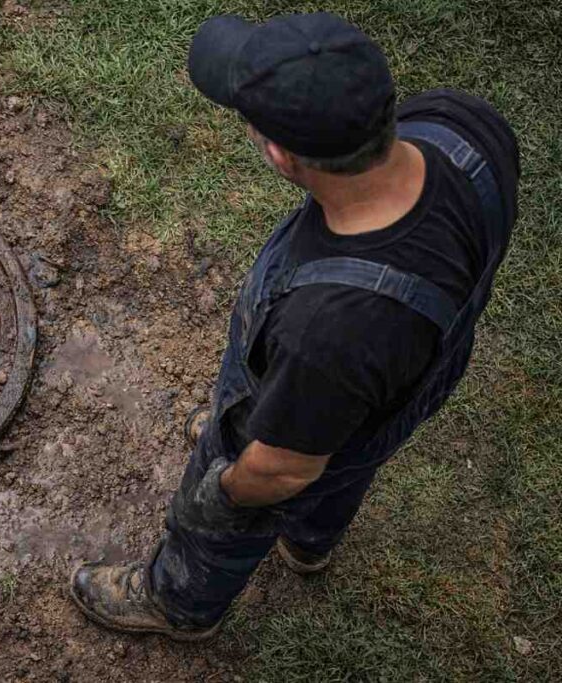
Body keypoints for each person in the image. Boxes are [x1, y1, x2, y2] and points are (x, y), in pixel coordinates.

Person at [69, 11, 519, 640]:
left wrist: (228, 483)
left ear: (281, 154)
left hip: (306, 422)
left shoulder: (328, 331)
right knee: (347, 460)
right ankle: (310, 542)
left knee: (234, 503)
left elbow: (283, 470)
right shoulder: (462, 126)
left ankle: (180, 605)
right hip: (410, 378)